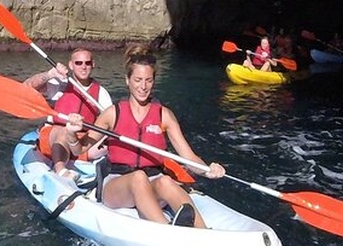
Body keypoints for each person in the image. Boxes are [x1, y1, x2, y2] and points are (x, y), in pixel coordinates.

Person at [64, 44, 225, 228]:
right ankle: (167, 230)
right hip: (116, 185)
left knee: (166, 181)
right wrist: (71, 133)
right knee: (138, 177)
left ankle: (204, 232)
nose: (143, 86)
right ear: (127, 80)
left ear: (154, 81)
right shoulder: (112, 113)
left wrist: (208, 170)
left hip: (152, 180)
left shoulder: (164, 115)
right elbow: (79, 149)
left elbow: (188, 157)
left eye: (148, 80)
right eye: (138, 80)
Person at [23, 47, 112, 179]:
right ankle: (61, 170)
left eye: (87, 63)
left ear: (93, 65)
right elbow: (26, 87)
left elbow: (111, 121)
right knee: (64, 132)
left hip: (80, 143)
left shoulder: (101, 93)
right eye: (78, 63)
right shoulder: (60, 83)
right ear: (71, 65)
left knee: (111, 142)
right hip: (54, 136)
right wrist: (50, 74)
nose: (83, 67)